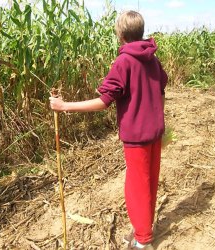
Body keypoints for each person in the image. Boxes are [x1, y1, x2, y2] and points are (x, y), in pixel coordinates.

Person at [49, 10, 168, 250]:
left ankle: (143, 240)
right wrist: (158, 121)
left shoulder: (124, 61)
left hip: (137, 137)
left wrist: (64, 106)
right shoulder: (152, 59)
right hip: (155, 132)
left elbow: (104, 102)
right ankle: (142, 229)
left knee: (136, 187)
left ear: (121, 35)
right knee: (149, 182)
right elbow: (161, 91)